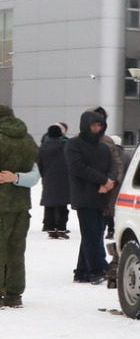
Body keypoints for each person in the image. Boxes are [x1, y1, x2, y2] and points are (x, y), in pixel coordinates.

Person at [64, 110, 116, 285]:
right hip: (84, 195)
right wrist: (103, 180)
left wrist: (110, 181)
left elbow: (113, 165)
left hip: (102, 195)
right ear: (85, 126)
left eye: (99, 125)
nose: (96, 128)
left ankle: (82, 271)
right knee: (92, 234)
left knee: (93, 234)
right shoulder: (74, 144)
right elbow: (78, 168)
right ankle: (97, 269)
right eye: (93, 125)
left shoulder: (102, 147)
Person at [0, 104, 40, 309]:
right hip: (21, 205)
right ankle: (14, 295)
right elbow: (35, 176)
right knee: (16, 250)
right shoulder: (28, 140)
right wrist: (15, 177)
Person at [37, 124, 70, 238]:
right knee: (63, 205)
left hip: (49, 178)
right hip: (64, 179)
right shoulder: (66, 146)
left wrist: (44, 175)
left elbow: (39, 164)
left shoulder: (42, 148)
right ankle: (61, 228)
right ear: (60, 134)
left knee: (50, 205)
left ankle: (50, 228)